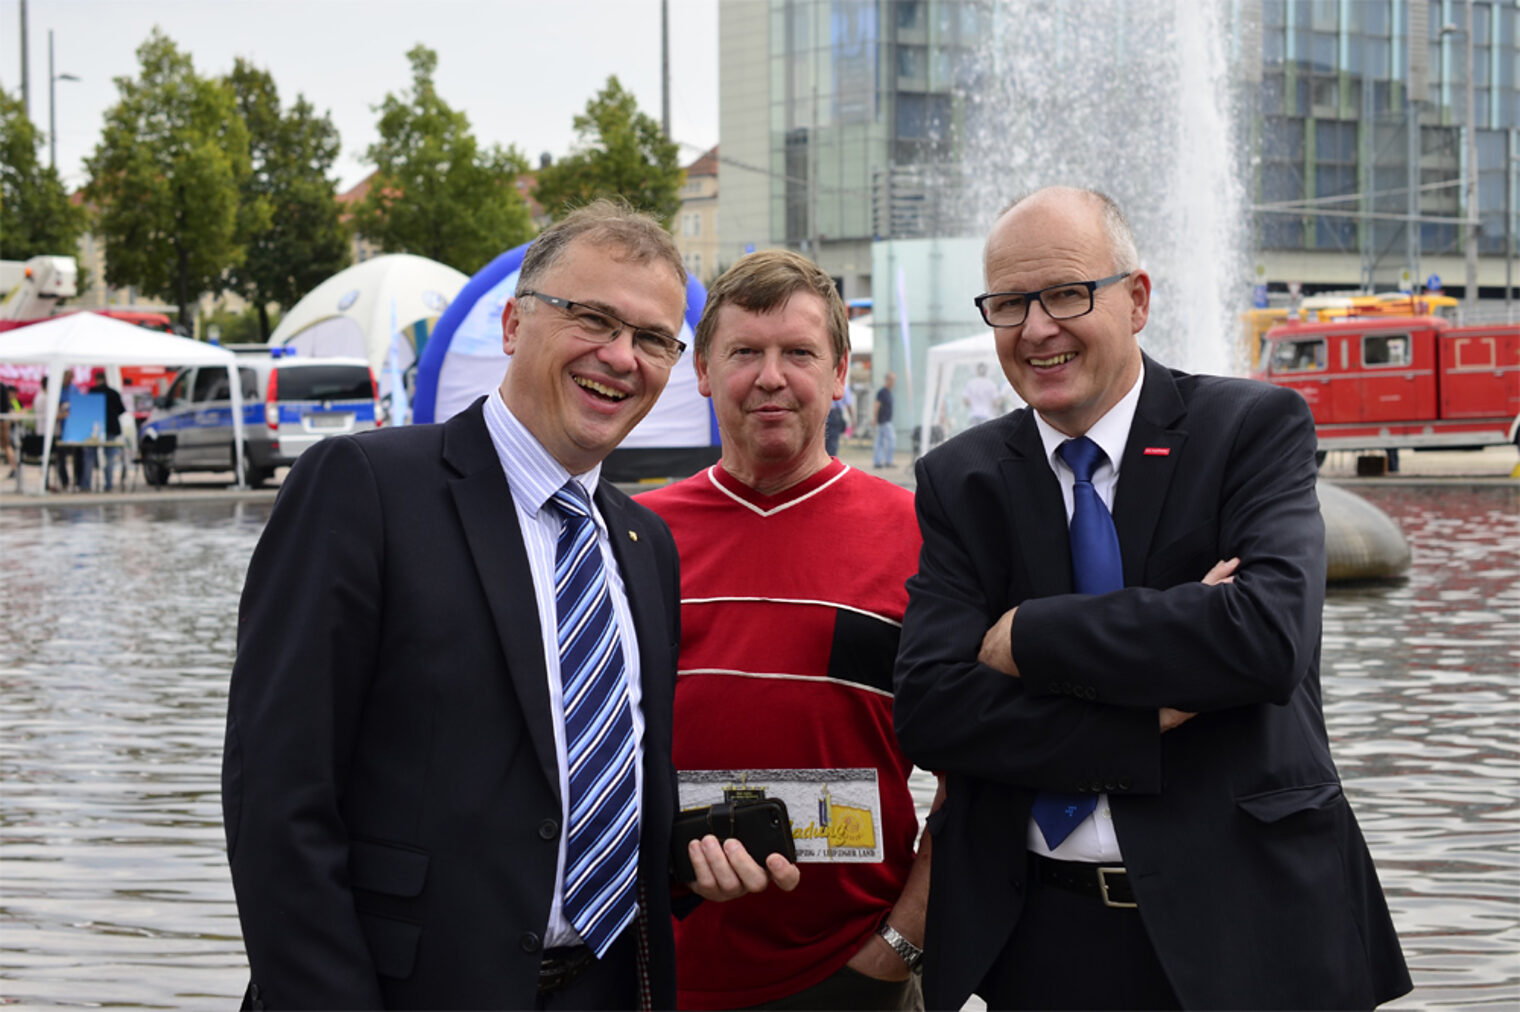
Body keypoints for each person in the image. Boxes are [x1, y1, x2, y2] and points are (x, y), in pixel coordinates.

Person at [893, 187, 1410, 1010]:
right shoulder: (962, 481)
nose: (1036, 329)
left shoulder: (1251, 429)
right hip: (1041, 943)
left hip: (1251, 929)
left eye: (1065, 293)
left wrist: (1030, 634)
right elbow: (929, 709)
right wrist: (1144, 713)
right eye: (1008, 304)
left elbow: (1264, 638)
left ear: (1135, 300)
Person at [222, 200, 691, 1010]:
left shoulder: (648, 546)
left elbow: (599, 795)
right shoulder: (362, 490)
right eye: (593, 318)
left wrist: (693, 862)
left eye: (653, 339)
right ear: (513, 324)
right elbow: (278, 803)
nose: (621, 357)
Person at [639, 249, 938, 1010]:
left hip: (853, 973)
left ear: (840, 374)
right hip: (659, 973)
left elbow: (978, 774)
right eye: (745, 352)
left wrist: (899, 946)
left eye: (798, 353)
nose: (771, 377)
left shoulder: (920, 537)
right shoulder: (635, 538)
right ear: (703, 370)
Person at [87, 370, 128, 491]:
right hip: (111, 428)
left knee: (90, 455)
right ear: (105, 379)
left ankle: (86, 485)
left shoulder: (92, 392)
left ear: (96, 379)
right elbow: (121, 410)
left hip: (95, 428)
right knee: (109, 457)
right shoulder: (113, 393)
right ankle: (108, 484)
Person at [960, 361, 1002, 427]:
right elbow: (996, 403)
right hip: (987, 416)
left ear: (977, 370)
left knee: (974, 435)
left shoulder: (970, 383)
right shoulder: (991, 384)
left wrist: (973, 405)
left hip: (974, 415)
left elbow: (965, 401)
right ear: (987, 370)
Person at [872, 372, 896, 468]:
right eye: (892, 380)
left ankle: (878, 462)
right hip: (883, 421)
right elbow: (877, 405)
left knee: (880, 441)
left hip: (886, 420)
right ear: (887, 380)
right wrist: (875, 418)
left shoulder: (889, 392)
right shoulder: (882, 392)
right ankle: (887, 461)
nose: (894, 382)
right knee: (891, 440)